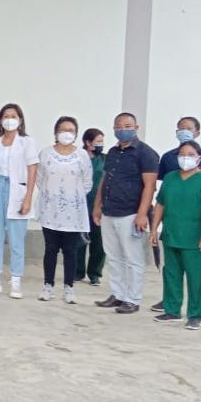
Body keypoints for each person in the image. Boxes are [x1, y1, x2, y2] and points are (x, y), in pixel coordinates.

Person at [93, 112, 159, 314]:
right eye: (118, 126)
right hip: (109, 211)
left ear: (136, 127)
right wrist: (97, 206)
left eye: (127, 125)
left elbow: (149, 186)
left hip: (130, 214)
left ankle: (132, 298)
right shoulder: (112, 152)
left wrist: (141, 214)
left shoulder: (146, 153)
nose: (123, 129)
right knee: (113, 256)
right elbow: (105, 180)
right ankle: (118, 294)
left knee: (132, 258)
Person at [150, 116, 201, 313]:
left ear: (199, 158)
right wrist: (154, 229)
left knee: (196, 277)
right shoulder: (171, 177)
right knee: (171, 273)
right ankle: (171, 309)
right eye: (182, 154)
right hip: (171, 234)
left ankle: (196, 312)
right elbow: (161, 203)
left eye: (190, 154)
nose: (185, 157)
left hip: (195, 237)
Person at [35, 116, 92, 304]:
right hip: (50, 210)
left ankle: (69, 287)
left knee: (70, 251)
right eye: (62, 129)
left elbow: (87, 182)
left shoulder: (82, 156)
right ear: (55, 132)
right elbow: (40, 179)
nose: (66, 133)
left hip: (73, 213)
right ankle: (48, 286)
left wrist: (70, 198)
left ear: (76, 134)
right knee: (50, 249)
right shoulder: (45, 154)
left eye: (71, 130)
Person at [0, 103, 39, 299]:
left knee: (17, 239)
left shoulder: (26, 142)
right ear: (0, 120)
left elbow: (32, 169)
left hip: (17, 190)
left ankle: (15, 280)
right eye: (5, 116)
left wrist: (28, 198)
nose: (9, 119)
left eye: (13, 115)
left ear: (20, 120)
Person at [75, 128, 106, 285]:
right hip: (80, 205)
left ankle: (95, 273)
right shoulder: (78, 158)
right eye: (97, 141)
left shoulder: (105, 160)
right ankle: (77, 272)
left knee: (98, 242)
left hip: (99, 206)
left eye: (102, 141)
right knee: (78, 241)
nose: (101, 144)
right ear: (87, 142)